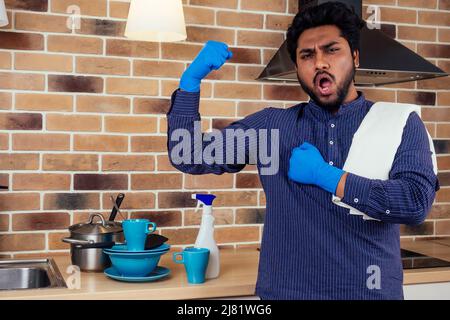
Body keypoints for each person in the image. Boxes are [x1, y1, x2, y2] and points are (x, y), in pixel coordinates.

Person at [166, 2, 439, 299]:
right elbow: (189, 155)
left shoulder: (399, 123)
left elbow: (414, 204)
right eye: (307, 55)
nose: (320, 62)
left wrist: (326, 176)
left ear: (355, 58)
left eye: (331, 50)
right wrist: (190, 84)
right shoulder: (272, 129)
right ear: (297, 68)